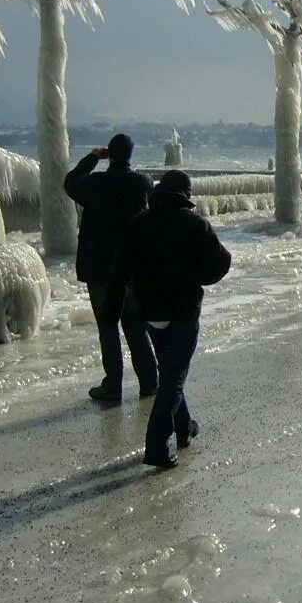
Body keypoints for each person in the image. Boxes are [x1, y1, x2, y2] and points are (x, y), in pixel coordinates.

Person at [103, 170, 232, 469]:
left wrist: (112, 309)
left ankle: (184, 427)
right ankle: (157, 445)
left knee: (171, 370)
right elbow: (222, 263)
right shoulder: (195, 225)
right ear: (185, 195)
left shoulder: (138, 223)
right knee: (173, 378)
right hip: (183, 313)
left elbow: (119, 271)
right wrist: (199, 277)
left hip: (150, 314)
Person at [63, 133, 158, 402]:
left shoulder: (95, 184)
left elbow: (70, 183)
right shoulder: (142, 183)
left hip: (100, 269)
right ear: (130, 155)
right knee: (135, 326)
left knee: (108, 327)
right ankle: (150, 381)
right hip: (132, 269)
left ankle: (113, 385)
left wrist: (93, 157)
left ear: (110, 155)